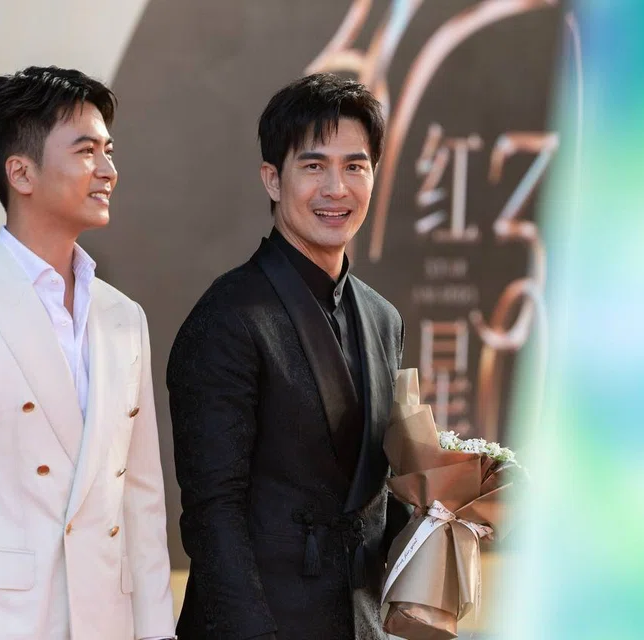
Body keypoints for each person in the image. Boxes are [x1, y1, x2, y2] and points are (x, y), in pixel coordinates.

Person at [0, 66, 175, 640]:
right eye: (86, 151)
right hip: (6, 625)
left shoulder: (124, 318)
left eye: (109, 151)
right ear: (20, 172)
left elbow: (141, 498)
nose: (109, 171)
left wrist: (156, 632)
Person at [168, 73, 408, 640]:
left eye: (355, 166)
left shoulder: (383, 319)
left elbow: (374, 494)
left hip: (360, 623)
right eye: (314, 166)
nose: (336, 189)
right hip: (258, 625)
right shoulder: (227, 317)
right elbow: (212, 514)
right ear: (273, 180)